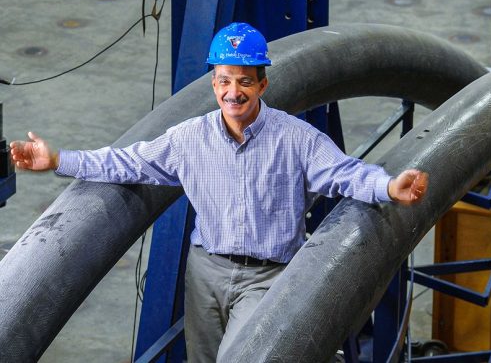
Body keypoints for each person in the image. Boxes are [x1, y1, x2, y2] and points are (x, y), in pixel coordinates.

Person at [10, 22, 428, 362]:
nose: (233, 92)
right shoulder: (188, 139)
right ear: (213, 85)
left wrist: (388, 186)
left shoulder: (296, 139)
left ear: (262, 85)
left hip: (269, 276)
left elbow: (344, 173)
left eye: (244, 81)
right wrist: (57, 159)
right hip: (206, 272)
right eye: (225, 81)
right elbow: (127, 162)